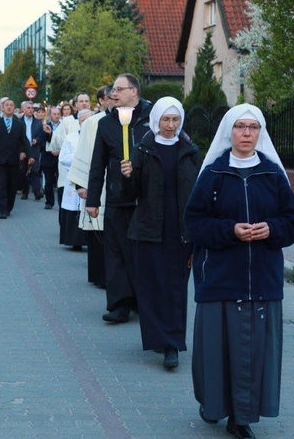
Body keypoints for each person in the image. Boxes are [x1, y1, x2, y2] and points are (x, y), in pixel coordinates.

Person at [184, 104, 294, 438]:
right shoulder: (213, 174)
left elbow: (293, 222)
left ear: (260, 133)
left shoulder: (272, 175)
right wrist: (230, 231)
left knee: (252, 353)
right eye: (240, 127)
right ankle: (214, 405)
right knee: (218, 351)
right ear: (229, 131)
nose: (247, 133)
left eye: (253, 127)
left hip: (261, 280)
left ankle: (242, 417)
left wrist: (272, 229)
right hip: (220, 278)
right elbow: (194, 223)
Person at [120, 97, 201, 369]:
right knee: (153, 286)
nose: (170, 125)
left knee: (176, 287)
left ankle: (172, 345)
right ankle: (158, 336)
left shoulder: (189, 150)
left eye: (175, 119)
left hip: (181, 232)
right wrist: (127, 176)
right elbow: (131, 196)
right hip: (150, 229)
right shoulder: (143, 149)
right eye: (166, 119)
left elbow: (198, 191)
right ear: (156, 120)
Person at [86, 74, 152, 323]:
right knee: (115, 253)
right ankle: (119, 304)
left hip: (146, 199)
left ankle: (144, 300)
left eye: (119, 89)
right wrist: (93, 200)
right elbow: (98, 163)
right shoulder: (107, 123)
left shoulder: (151, 119)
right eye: (113, 89)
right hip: (117, 197)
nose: (114, 93)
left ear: (133, 91)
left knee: (142, 254)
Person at [67, 86, 114, 288]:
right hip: (97, 182)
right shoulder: (94, 122)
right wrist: (80, 184)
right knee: (98, 231)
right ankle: (99, 275)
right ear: (104, 100)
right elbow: (83, 153)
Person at [0, 98, 31, 219]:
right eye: (7, 105)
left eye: (11, 105)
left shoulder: (19, 124)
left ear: (14, 108)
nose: (9, 107)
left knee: (12, 186)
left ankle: (9, 206)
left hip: (13, 160)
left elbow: (25, 141)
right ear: (2, 107)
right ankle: (2, 209)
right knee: (0, 185)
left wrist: (30, 155)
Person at [58, 109, 93, 249]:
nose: (85, 124)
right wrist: (79, 157)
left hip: (92, 179)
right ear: (79, 122)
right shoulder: (71, 137)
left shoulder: (98, 137)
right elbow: (63, 158)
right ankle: (75, 241)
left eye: (88, 121)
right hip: (74, 178)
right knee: (74, 207)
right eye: (83, 121)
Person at [18, 101, 44, 200]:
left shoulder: (38, 123)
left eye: (32, 108)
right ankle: (25, 192)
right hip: (23, 151)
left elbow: (42, 136)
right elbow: (17, 138)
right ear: (23, 109)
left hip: (34, 150)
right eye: (28, 108)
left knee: (35, 171)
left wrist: (37, 140)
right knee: (23, 172)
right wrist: (21, 151)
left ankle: (37, 192)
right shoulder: (19, 122)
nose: (31, 110)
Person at [40, 106, 62, 210]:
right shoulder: (45, 126)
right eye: (54, 114)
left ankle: (62, 201)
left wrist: (59, 151)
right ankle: (49, 201)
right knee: (48, 181)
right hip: (48, 157)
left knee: (60, 180)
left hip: (61, 156)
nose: (56, 116)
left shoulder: (63, 126)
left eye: (58, 114)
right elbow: (42, 141)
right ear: (50, 115)